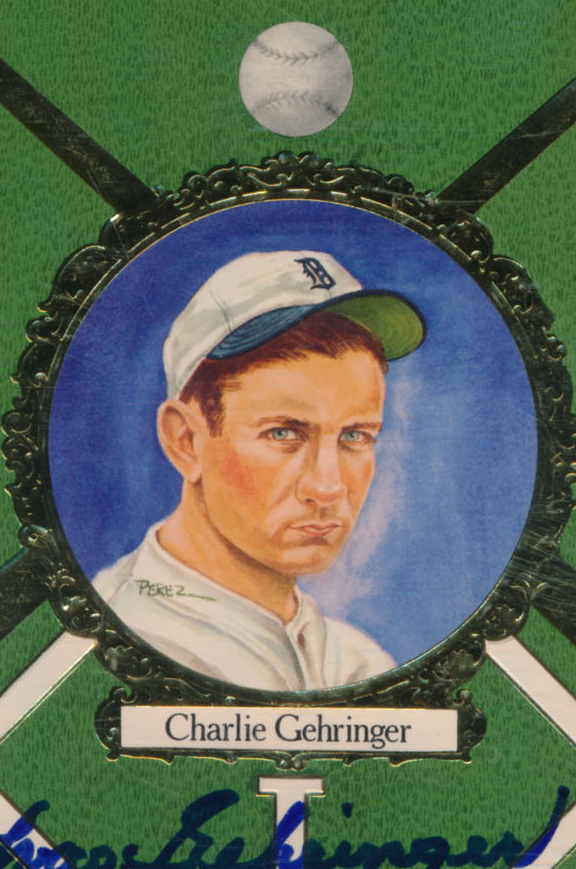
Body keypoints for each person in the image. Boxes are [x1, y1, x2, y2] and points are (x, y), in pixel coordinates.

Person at [93, 248, 426, 690]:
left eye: (355, 436)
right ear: (186, 441)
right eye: (283, 433)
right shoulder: (119, 638)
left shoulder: (357, 662)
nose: (328, 486)